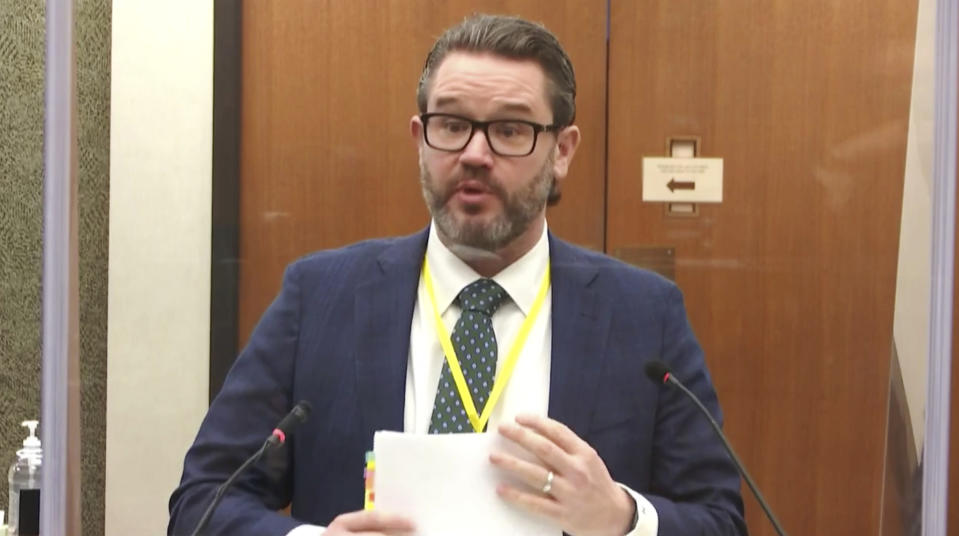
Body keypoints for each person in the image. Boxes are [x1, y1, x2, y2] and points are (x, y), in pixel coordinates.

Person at [168, 13, 747, 536]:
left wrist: (623, 518)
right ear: (420, 139)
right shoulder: (319, 297)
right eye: (452, 125)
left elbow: (720, 520)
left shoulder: (644, 315)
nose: (475, 153)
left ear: (562, 151)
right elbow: (202, 502)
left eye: (511, 130)